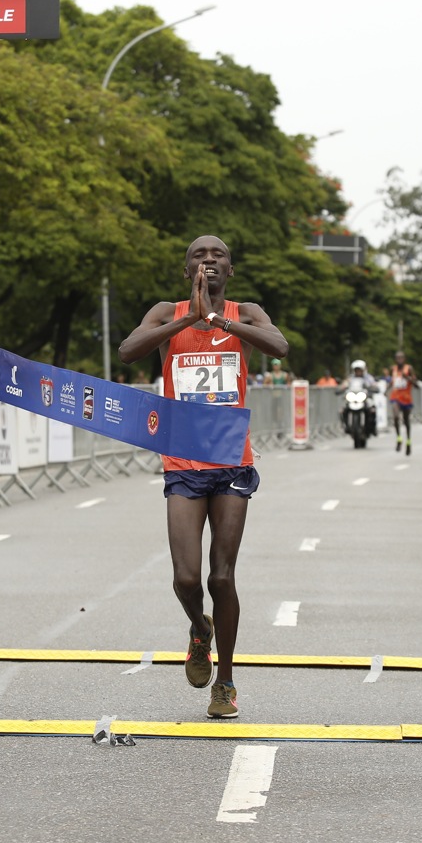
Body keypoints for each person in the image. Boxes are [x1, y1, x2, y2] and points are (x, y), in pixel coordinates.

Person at [119, 236, 288, 719]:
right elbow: (129, 350)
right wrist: (189, 319)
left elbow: (279, 346)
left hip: (232, 458)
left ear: (229, 270)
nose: (208, 260)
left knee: (221, 575)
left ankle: (227, 682)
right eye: (199, 255)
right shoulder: (165, 313)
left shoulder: (246, 312)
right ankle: (199, 629)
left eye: (217, 256)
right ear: (186, 267)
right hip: (183, 459)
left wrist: (218, 320)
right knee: (187, 577)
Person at [387, 350, 417, 455]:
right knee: (395, 416)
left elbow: (416, 384)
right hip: (396, 397)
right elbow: (392, 381)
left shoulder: (409, 369)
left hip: (406, 398)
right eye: (397, 358)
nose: (399, 360)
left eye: (401, 358)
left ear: (404, 359)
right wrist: (385, 390)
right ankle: (399, 438)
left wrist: (407, 378)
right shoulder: (393, 369)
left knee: (406, 421)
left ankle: (408, 441)